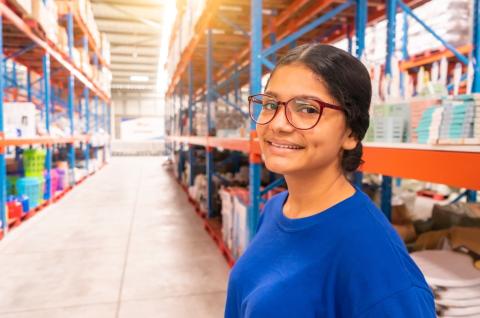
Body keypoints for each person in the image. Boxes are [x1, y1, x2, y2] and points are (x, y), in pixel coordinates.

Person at [224, 44, 436, 318]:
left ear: (351, 133)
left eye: (308, 110)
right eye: (270, 104)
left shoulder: (379, 266)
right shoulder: (275, 210)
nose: (278, 124)